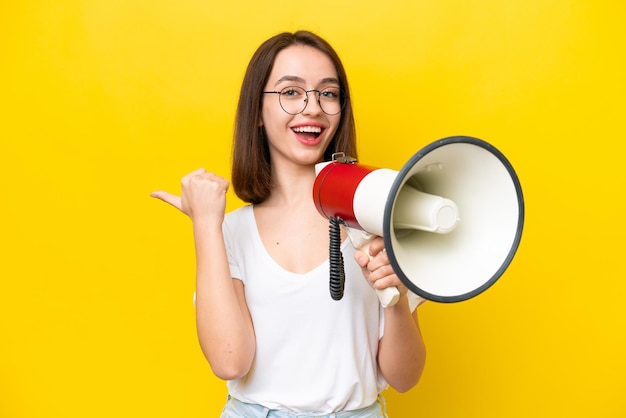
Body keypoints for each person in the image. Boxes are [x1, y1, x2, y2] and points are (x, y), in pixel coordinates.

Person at [151, 30, 426, 417]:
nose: (313, 107)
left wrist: (394, 300)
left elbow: (405, 377)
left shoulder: (375, 220)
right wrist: (205, 226)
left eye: (328, 94)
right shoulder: (230, 231)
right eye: (291, 92)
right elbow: (230, 362)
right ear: (257, 113)